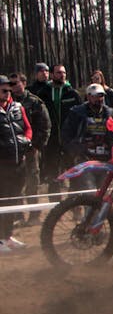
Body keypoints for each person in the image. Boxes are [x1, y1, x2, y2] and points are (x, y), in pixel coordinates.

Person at [10, 73, 49, 224]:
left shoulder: (34, 102)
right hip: (13, 151)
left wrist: (37, 146)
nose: (13, 86)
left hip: (31, 149)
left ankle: (34, 215)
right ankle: (18, 216)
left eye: (15, 83)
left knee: (32, 183)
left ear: (24, 83)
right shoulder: (8, 102)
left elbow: (45, 126)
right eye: (10, 84)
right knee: (15, 183)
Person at [0, 75, 32, 251]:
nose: (7, 92)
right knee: (2, 200)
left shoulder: (18, 107)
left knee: (13, 200)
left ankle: (7, 236)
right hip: (2, 164)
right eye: (3, 89)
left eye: (9, 89)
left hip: (19, 162)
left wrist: (27, 141)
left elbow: (28, 128)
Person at [61, 84, 113, 189]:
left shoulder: (110, 113)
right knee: (89, 190)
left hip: (105, 160)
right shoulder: (77, 113)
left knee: (105, 190)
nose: (99, 99)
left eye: (101, 96)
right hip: (84, 159)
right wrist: (75, 151)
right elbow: (66, 135)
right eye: (95, 96)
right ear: (88, 97)